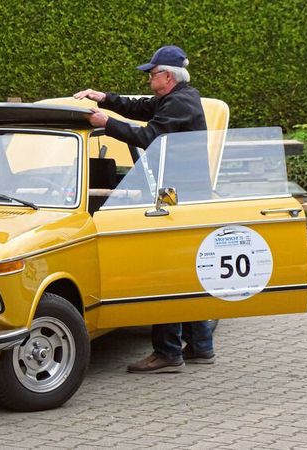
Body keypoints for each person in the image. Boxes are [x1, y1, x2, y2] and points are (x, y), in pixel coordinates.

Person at [74, 45, 218, 374]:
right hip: (184, 193)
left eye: (152, 74)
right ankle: (200, 345)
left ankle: (167, 351)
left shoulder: (179, 102)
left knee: (166, 270)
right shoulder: (178, 97)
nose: (148, 79)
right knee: (186, 270)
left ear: (167, 76)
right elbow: (141, 107)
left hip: (178, 196)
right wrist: (103, 97)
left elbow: (148, 135)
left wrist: (105, 122)